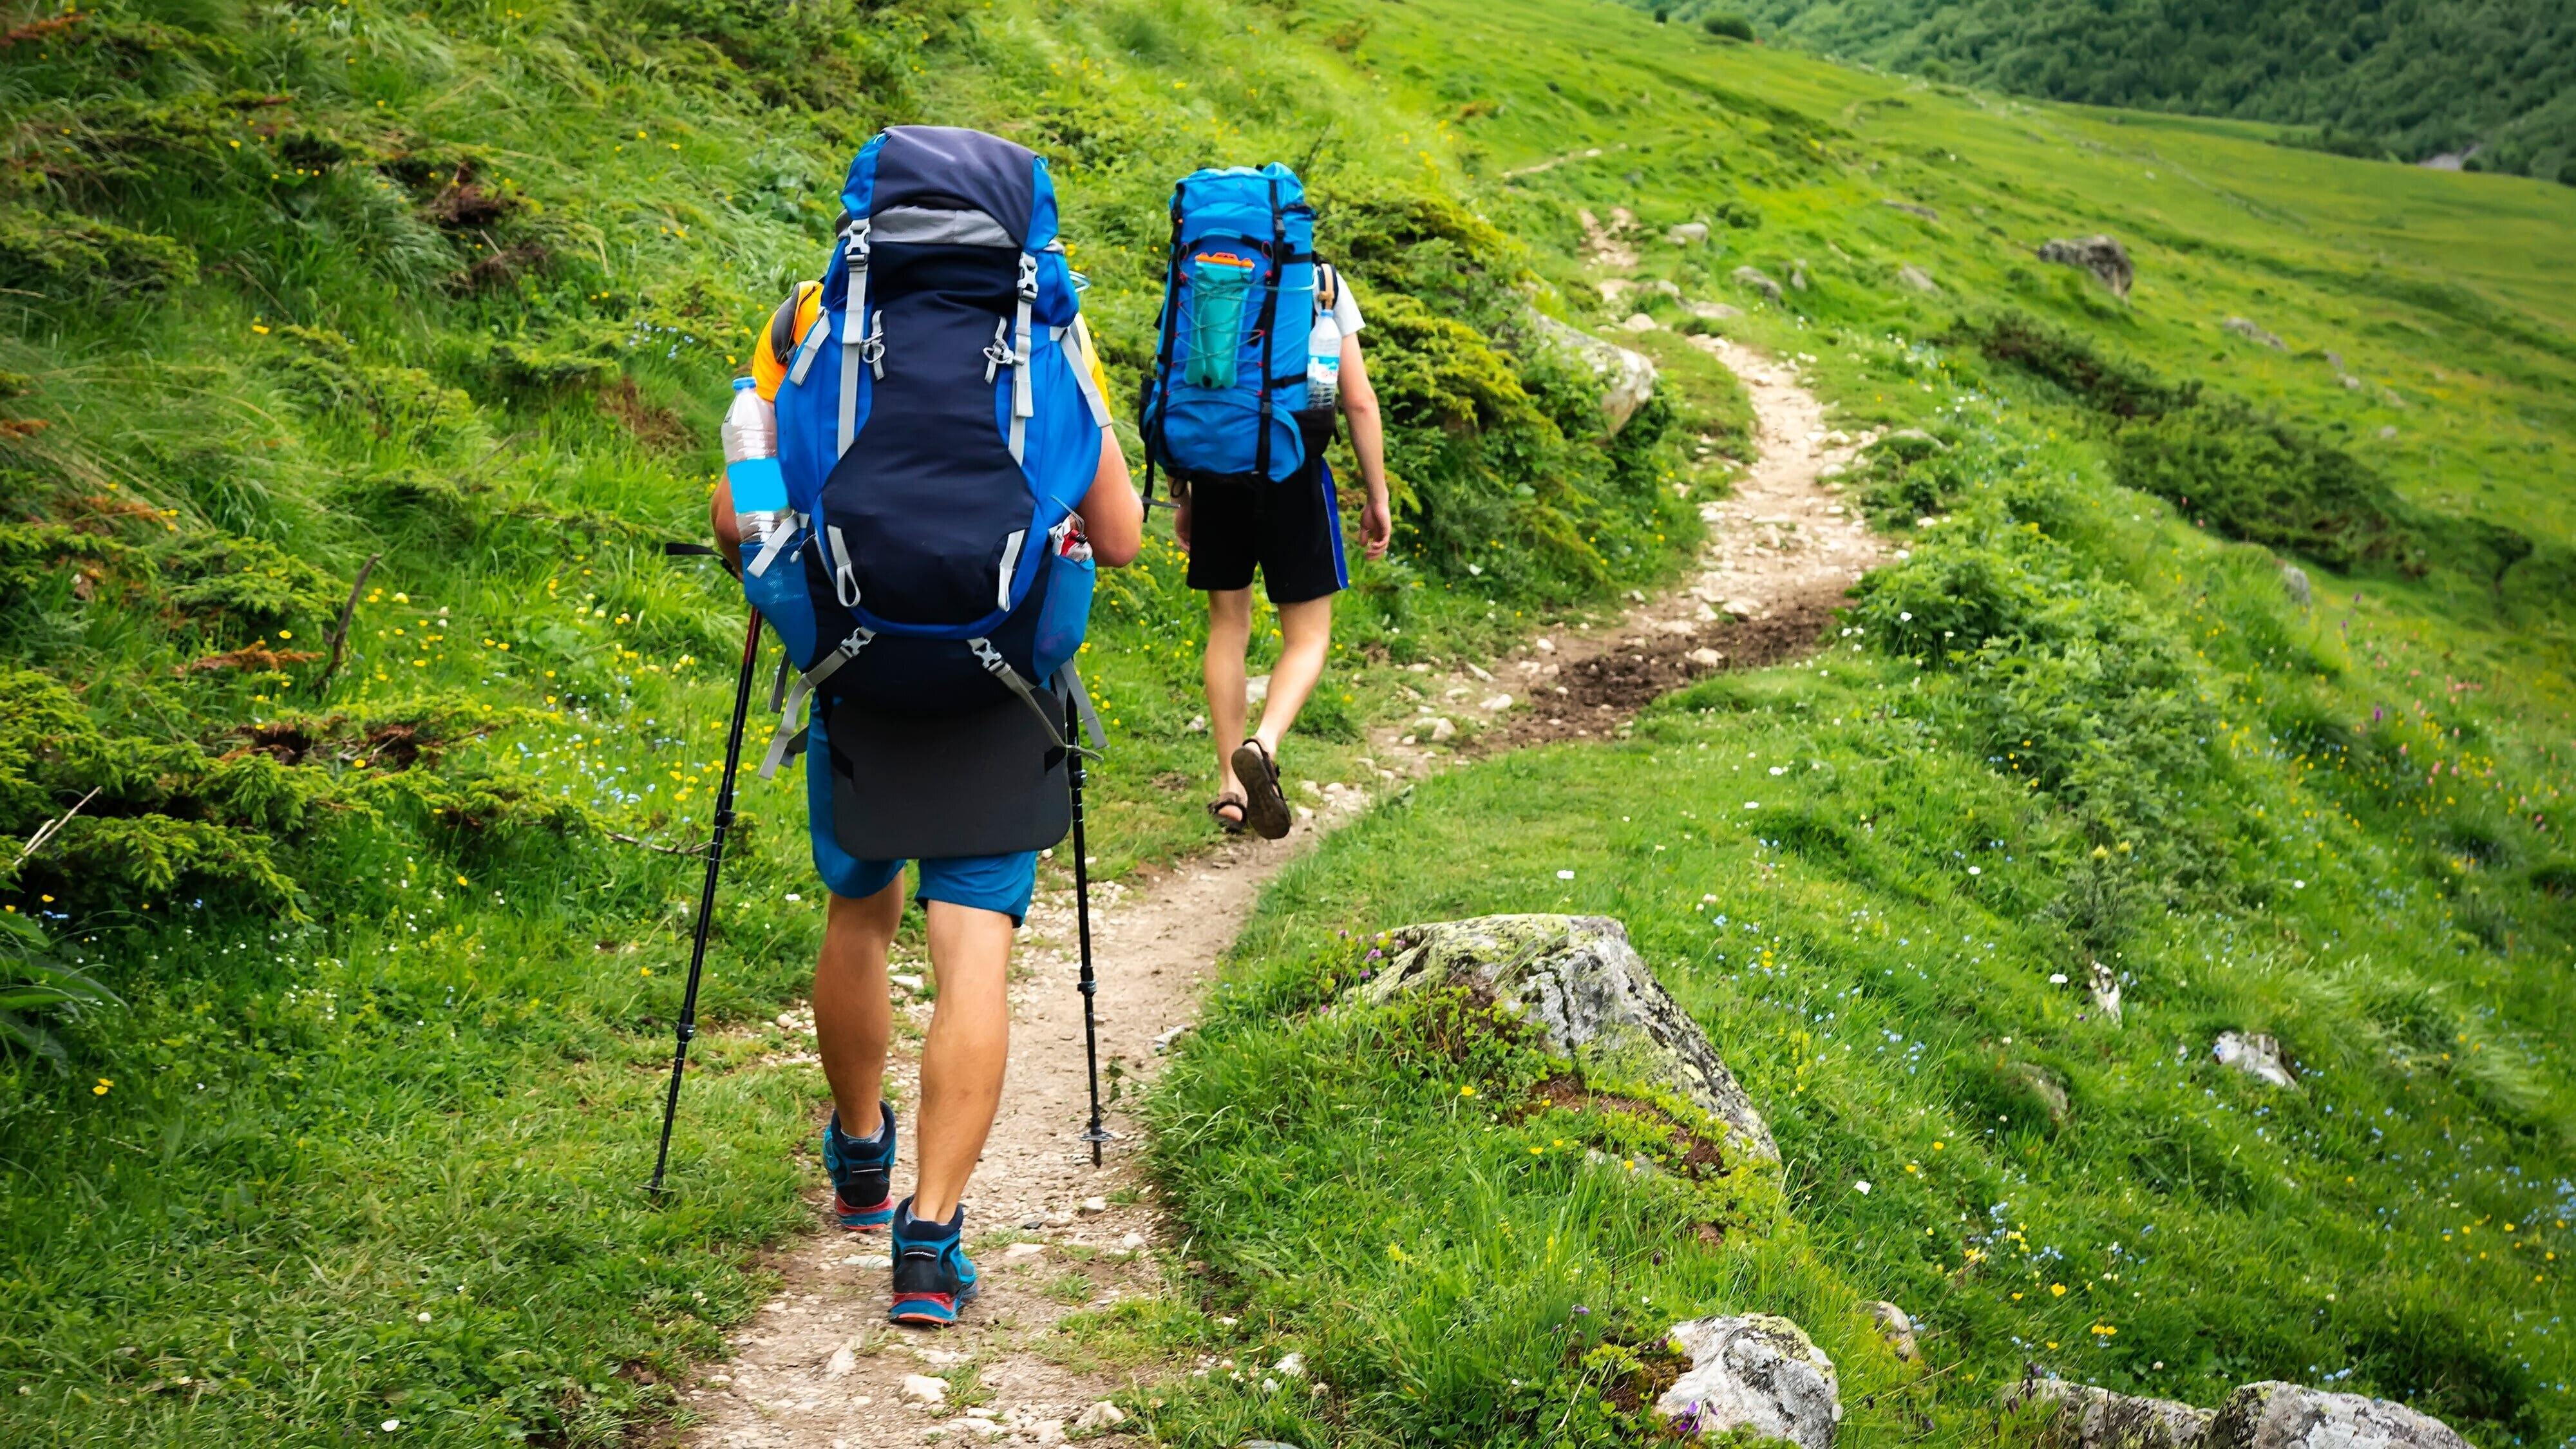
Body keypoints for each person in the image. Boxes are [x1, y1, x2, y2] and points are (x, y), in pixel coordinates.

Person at [714, 250, 1142, 1329]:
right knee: (974, 957)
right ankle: (930, 1242)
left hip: (856, 673)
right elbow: (1124, 538)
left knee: (859, 912)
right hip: (1004, 687)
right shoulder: (1050, 330)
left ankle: (862, 1157)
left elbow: (734, 516)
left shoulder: (810, 314)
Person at [1177, 261, 1391, 838]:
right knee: (1309, 635)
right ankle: (1263, 744)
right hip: (1294, 469)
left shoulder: (1204, 275)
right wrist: (1378, 496)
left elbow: (1189, 382)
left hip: (1217, 468)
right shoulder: (1320, 280)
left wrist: (1185, 491)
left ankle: (1229, 787)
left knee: (1227, 628)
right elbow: (1359, 401)